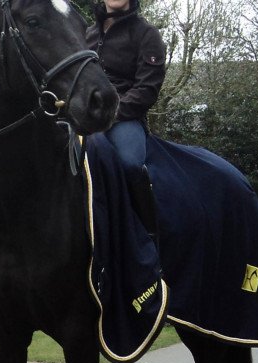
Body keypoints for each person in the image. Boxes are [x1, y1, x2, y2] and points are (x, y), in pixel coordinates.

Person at [86, 0, 166, 241]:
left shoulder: (146, 34)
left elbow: (147, 89)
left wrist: (111, 113)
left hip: (124, 118)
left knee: (130, 163)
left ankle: (148, 233)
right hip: (84, 115)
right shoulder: (87, 33)